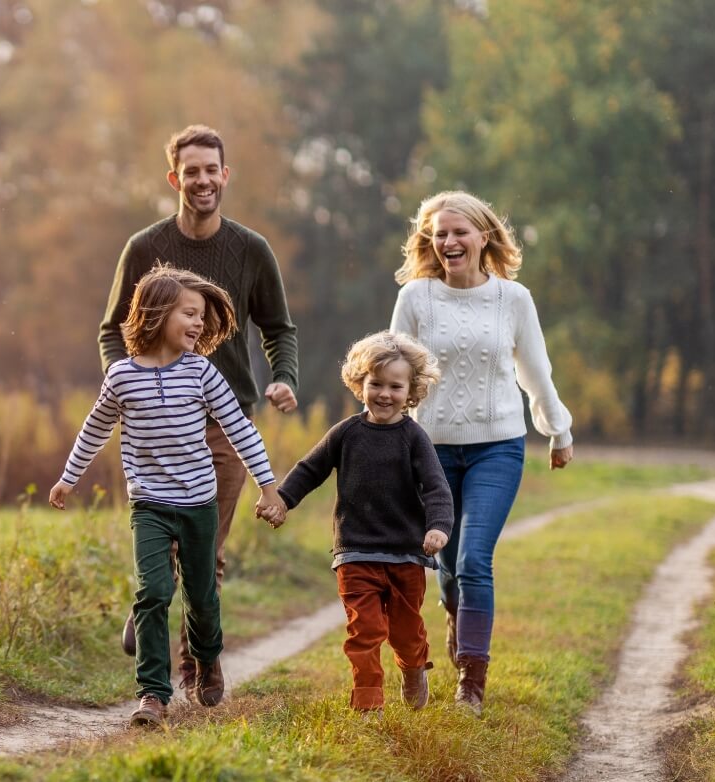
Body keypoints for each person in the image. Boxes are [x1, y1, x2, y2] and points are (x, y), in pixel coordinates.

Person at [99, 125, 299, 694]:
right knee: (158, 538)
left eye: (212, 170)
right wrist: (128, 386)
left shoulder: (251, 249)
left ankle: (199, 666)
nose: (203, 180)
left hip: (226, 417)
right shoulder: (143, 247)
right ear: (175, 179)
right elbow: (113, 331)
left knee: (206, 550)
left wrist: (283, 378)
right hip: (155, 420)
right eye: (192, 171)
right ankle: (151, 604)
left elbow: (279, 329)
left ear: (225, 175)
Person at [54, 266, 287, 727]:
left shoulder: (201, 372)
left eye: (202, 316)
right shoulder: (121, 377)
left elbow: (240, 429)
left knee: (201, 596)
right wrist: (69, 477)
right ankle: (152, 695)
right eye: (190, 313)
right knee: (153, 592)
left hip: (199, 502)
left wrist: (268, 485)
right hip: (150, 505)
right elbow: (95, 427)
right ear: (158, 313)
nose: (199, 324)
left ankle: (205, 660)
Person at [388, 190, 574, 716]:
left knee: (473, 558)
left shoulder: (513, 299)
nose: (449, 241)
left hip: (498, 446)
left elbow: (535, 370)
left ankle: (471, 680)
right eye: (439, 234)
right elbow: (394, 368)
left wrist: (557, 431)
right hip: (433, 453)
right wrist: (384, 436)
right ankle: (456, 615)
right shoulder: (417, 298)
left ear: (483, 236)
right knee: (446, 565)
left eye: (459, 231)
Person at [260, 330, 453, 713]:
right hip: (355, 551)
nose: (384, 394)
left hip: (405, 554)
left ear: (411, 390)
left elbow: (436, 489)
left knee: (404, 632)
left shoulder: (414, 438)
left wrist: (438, 527)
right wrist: (281, 500)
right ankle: (368, 703)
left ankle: (413, 668)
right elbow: (309, 469)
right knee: (364, 632)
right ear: (358, 383)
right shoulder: (346, 433)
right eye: (375, 384)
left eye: (395, 386)